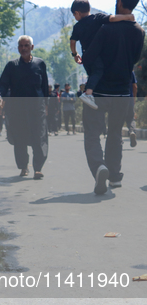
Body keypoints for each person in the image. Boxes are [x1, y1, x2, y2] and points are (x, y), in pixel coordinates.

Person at [80, 0, 144, 194]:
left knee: (92, 133)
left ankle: (100, 167)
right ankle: (114, 177)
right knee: (115, 134)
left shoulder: (106, 29)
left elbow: (89, 57)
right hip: (123, 92)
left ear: (120, 3)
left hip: (99, 91)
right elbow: (134, 59)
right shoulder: (139, 31)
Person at [0, 35, 49, 180]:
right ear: (18, 48)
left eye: (26, 45)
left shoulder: (40, 64)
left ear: (32, 47)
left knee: (39, 137)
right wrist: (0, 97)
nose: (24, 48)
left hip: (36, 107)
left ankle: (38, 168)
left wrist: (46, 105)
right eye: (21, 46)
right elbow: (3, 85)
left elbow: (44, 87)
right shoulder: (11, 66)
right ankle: (23, 166)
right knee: (20, 138)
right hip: (17, 109)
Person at [70, 0, 135, 109]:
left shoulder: (77, 26)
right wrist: (128, 17)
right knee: (98, 71)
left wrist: (75, 54)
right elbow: (113, 18)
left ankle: (89, 92)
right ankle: (88, 94)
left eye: (74, 15)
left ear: (77, 13)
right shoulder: (97, 18)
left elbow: (72, 42)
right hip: (97, 54)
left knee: (94, 74)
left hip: (87, 56)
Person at [126, 71, 138, 147]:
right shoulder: (130, 71)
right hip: (129, 98)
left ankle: (118, 140)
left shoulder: (114, 68)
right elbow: (135, 86)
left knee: (117, 119)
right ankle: (132, 131)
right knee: (131, 118)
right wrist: (133, 99)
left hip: (117, 99)